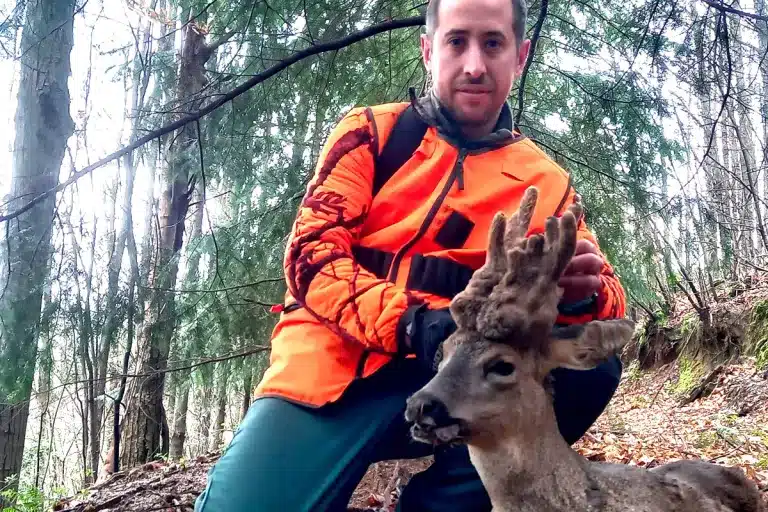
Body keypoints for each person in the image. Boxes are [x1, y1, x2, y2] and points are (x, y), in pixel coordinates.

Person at [195, 0, 627, 510]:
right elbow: (310, 256)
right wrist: (412, 324)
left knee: (586, 369)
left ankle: (444, 504)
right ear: (428, 49)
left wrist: (583, 294)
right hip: (332, 368)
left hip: (460, 375)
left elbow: (610, 300)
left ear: (520, 55)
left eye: (493, 44)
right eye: (456, 41)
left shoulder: (544, 182)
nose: (474, 65)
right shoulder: (371, 135)